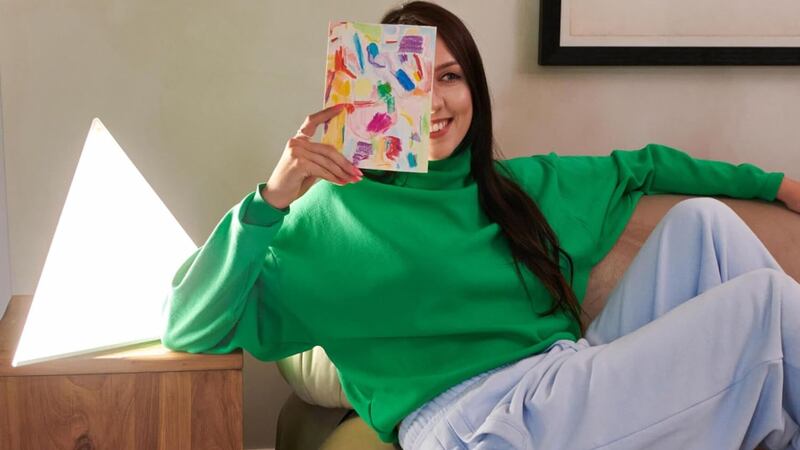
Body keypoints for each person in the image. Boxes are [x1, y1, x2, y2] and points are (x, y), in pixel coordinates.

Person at [161, 1, 800, 448]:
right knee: (768, 304)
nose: (435, 101)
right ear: (374, 93)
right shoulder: (331, 211)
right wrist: (272, 198)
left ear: (475, 89)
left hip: (560, 387)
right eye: (411, 81)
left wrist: (780, 186)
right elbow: (190, 324)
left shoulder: (512, 187)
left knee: (704, 227)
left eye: (451, 77)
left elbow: (645, 167)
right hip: (472, 428)